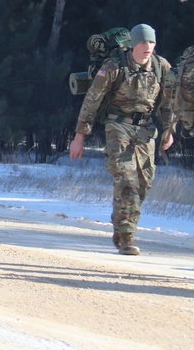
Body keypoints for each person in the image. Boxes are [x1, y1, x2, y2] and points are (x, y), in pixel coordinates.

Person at [69, 23, 174, 255]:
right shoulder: (114, 66)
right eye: (144, 42)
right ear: (134, 44)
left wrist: (169, 129)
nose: (148, 47)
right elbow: (92, 101)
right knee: (127, 180)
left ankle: (121, 224)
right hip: (118, 126)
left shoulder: (161, 66)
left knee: (144, 183)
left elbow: (167, 101)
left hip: (146, 130)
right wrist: (79, 137)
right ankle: (127, 236)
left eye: (152, 42)